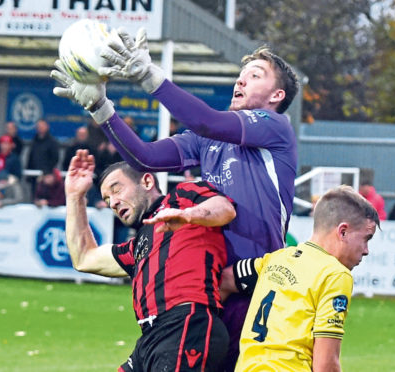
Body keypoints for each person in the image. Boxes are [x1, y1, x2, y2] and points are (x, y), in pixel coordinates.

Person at [51, 29, 299, 370]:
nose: (240, 83)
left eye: (254, 76)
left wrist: (150, 77)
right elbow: (144, 159)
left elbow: (207, 121)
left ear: (277, 95)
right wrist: (100, 107)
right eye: (239, 77)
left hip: (255, 284)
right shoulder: (205, 142)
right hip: (211, 291)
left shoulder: (275, 127)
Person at [64, 149, 236, 371]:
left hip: (186, 324)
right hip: (151, 338)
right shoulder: (139, 246)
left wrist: (189, 215)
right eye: (107, 199)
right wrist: (75, 196)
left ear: (147, 181)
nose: (113, 203)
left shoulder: (182, 198)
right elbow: (84, 258)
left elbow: (225, 209)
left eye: (117, 190)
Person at [220, 185, 380, 372]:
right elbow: (325, 365)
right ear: (342, 231)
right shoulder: (335, 274)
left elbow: (225, 279)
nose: (366, 250)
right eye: (366, 239)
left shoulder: (275, 259)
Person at [26, 119, 60, 199]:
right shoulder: (34, 141)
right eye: (38, 126)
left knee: (44, 198)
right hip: (34, 175)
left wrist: (46, 172)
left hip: (46, 177)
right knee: (33, 197)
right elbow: (30, 157)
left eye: (42, 126)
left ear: (47, 127)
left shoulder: (52, 142)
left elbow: (55, 158)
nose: (40, 128)